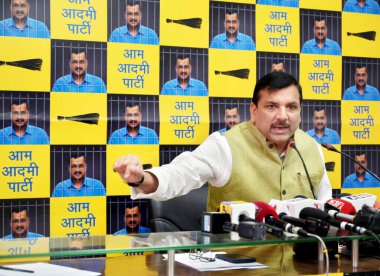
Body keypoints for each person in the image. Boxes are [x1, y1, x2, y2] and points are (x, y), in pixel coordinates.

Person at [113, 72, 332, 212]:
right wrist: (142, 178)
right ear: (254, 111)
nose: (283, 116)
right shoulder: (225, 146)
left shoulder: (311, 147)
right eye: (272, 106)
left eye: (291, 107)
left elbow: (326, 206)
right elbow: (178, 175)